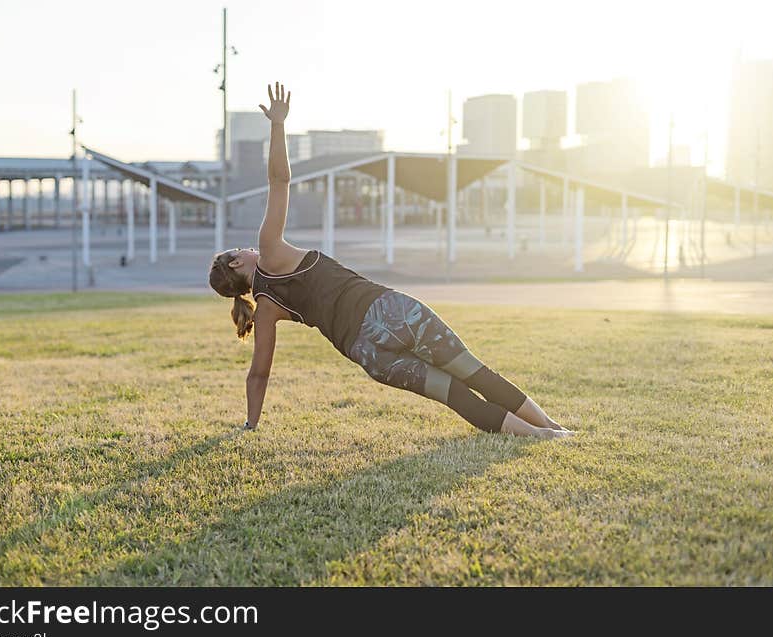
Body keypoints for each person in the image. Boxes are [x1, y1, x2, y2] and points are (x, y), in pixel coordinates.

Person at [209, 83, 572, 439]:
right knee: (476, 374)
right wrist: (278, 125)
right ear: (238, 265)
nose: (247, 249)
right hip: (390, 313)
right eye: (238, 251)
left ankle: (544, 436)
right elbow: (280, 180)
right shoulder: (270, 250)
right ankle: (552, 428)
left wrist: (250, 424)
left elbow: (259, 373)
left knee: (455, 395)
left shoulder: (266, 308)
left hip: (367, 354)